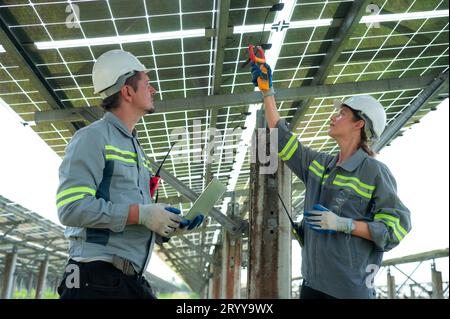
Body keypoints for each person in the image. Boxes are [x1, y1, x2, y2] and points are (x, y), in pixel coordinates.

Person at [250, 61, 411, 299]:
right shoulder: (320, 164)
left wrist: (344, 224)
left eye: (342, 114)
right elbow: (282, 140)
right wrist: (268, 93)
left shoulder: (375, 172)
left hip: (349, 292)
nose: (334, 118)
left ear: (359, 124)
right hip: (312, 286)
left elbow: (396, 229)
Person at [56, 49, 204, 299]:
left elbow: (131, 220)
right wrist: (141, 213)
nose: (153, 89)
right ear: (127, 91)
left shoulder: (135, 148)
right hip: (94, 279)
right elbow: (71, 208)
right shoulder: (92, 138)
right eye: (146, 83)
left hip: (125, 280)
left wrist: (165, 226)